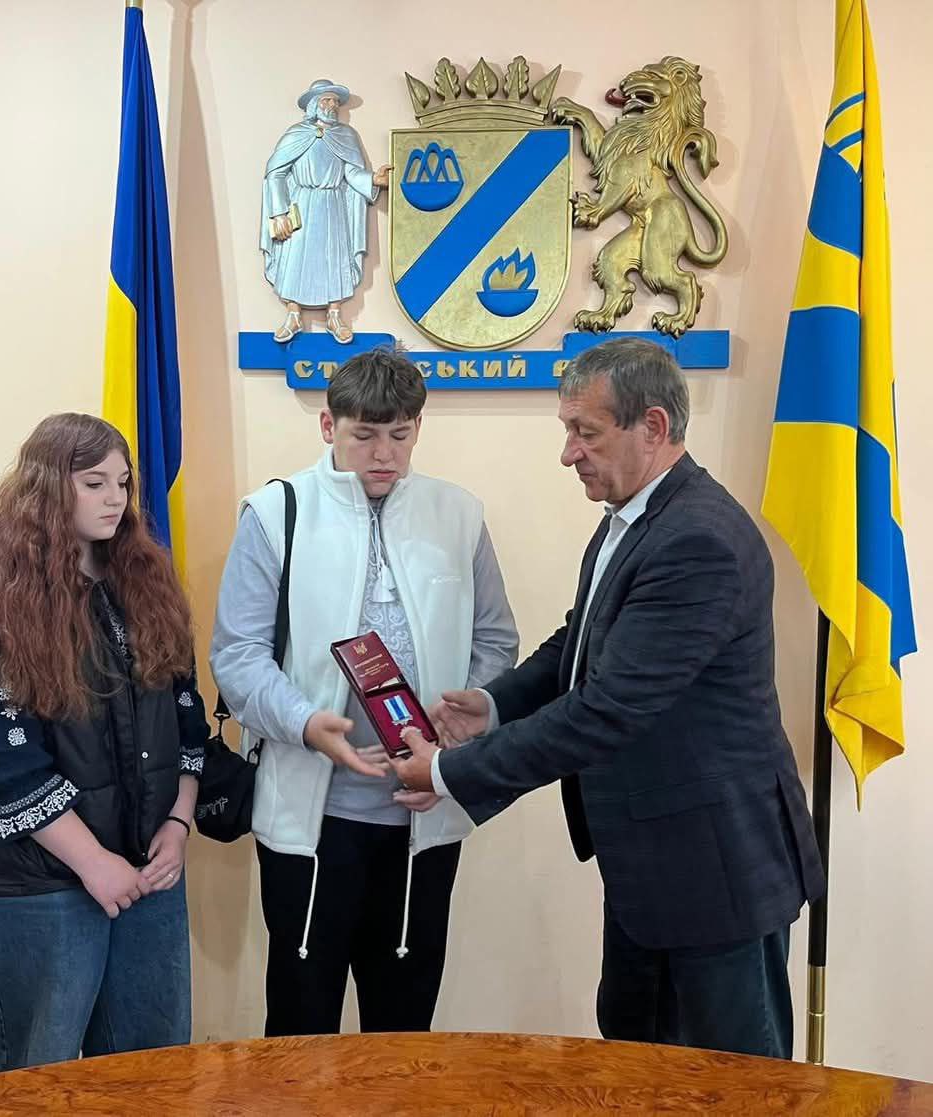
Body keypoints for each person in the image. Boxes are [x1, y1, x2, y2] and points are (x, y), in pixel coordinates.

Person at [391, 336, 826, 1059]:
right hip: (649, 865)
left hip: (716, 871)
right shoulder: (633, 517)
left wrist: (446, 772)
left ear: (652, 427)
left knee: (735, 1086)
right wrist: (492, 705)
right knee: (635, 1066)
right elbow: (581, 640)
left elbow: (607, 709)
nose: (569, 454)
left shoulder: (698, 540)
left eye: (584, 432)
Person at [211, 347, 518, 1037]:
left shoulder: (458, 515)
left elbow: (497, 643)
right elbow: (236, 653)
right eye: (365, 434)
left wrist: (455, 744)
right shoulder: (275, 514)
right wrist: (305, 722)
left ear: (418, 428)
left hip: (423, 814)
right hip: (310, 820)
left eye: (401, 435)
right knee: (301, 1022)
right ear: (328, 425)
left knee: (403, 1026)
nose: (384, 454)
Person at [0, 413, 208, 1074]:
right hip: (39, 881)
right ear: (49, 486)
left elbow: (187, 718)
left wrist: (176, 826)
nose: (116, 498)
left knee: (148, 1076)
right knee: (35, 1077)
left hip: (147, 870)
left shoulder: (147, 585)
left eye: (123, 482)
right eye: (94, 482)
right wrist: (94, 862)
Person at [261, 78, 391, 344]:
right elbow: (275, 173)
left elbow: (351, 173)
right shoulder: (296, 134)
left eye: (335, 101)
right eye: (326, 100)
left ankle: (334, 315)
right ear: (313, 104)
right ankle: (293, 315)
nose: (332, 105)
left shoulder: (346, 135)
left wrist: (373, 180)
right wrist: (279, 212)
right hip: (302, 204)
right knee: (296, 257)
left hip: (333, 206)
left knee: (335, 257)